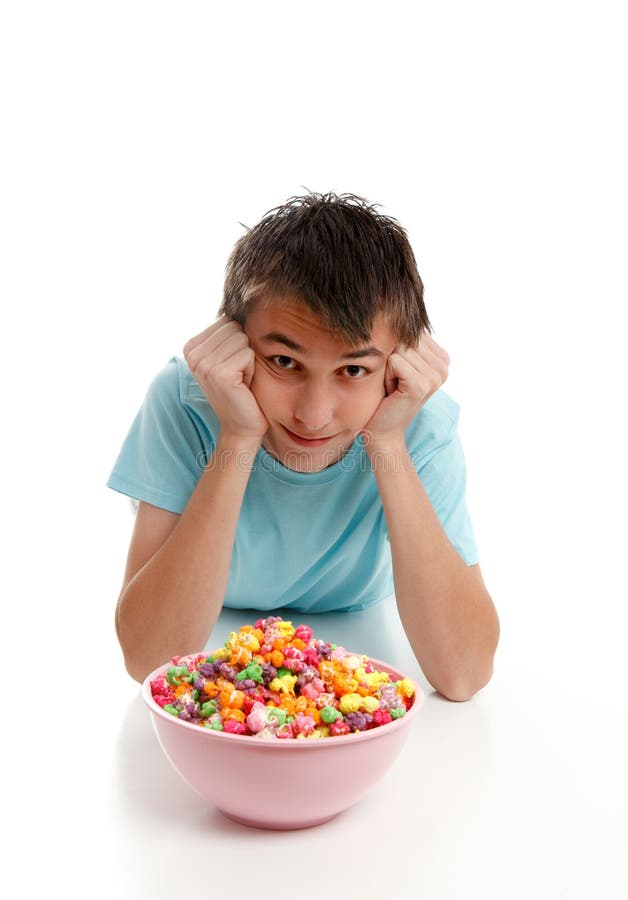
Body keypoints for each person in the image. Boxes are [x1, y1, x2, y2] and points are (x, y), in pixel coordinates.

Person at [107, 191, 500, 700]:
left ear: (396, 364)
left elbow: (463, 675)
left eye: (353, 370)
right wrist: (238, 434)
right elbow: (150, 661)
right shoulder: (187, 402)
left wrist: (386, 441)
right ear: (235, 341)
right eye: (284, 362)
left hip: (362, 634)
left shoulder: (419, 422)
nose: (313, 415)